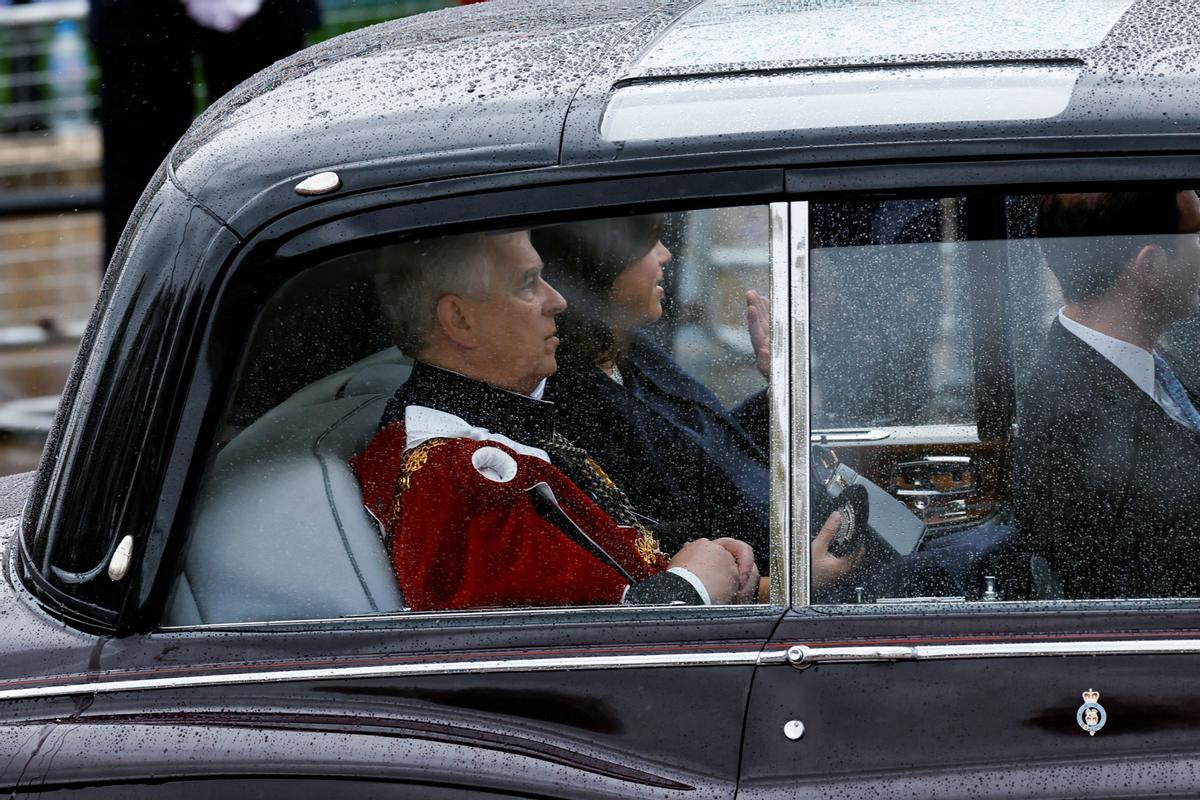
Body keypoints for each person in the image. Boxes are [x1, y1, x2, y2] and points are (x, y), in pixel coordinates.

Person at [350, 230, 767, 611]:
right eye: (528, 285)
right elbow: (542, 651)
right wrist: (690, 584)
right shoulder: (458, 474)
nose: (558, 302)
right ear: (460, 320)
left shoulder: (496, 425)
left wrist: (712, 561)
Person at [531, 215, 860, 594]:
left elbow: (696, 450)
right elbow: (657, 560)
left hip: (804, 547)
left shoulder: (629, 352)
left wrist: (780, 387)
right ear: (598, 264)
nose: (666, 255)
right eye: (648, 244)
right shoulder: (572, 401)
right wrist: (792, 584)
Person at [1013, 190, 1200, 598]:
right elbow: (1145, 594)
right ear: (1149, 265)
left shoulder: (1147, 359)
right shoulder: (1069, 419)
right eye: (1197, 240)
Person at [89, 0, 321, 266]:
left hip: (265, 16)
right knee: (138, 180)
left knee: (271, 161)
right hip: (138, 20)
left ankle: (281, 282)